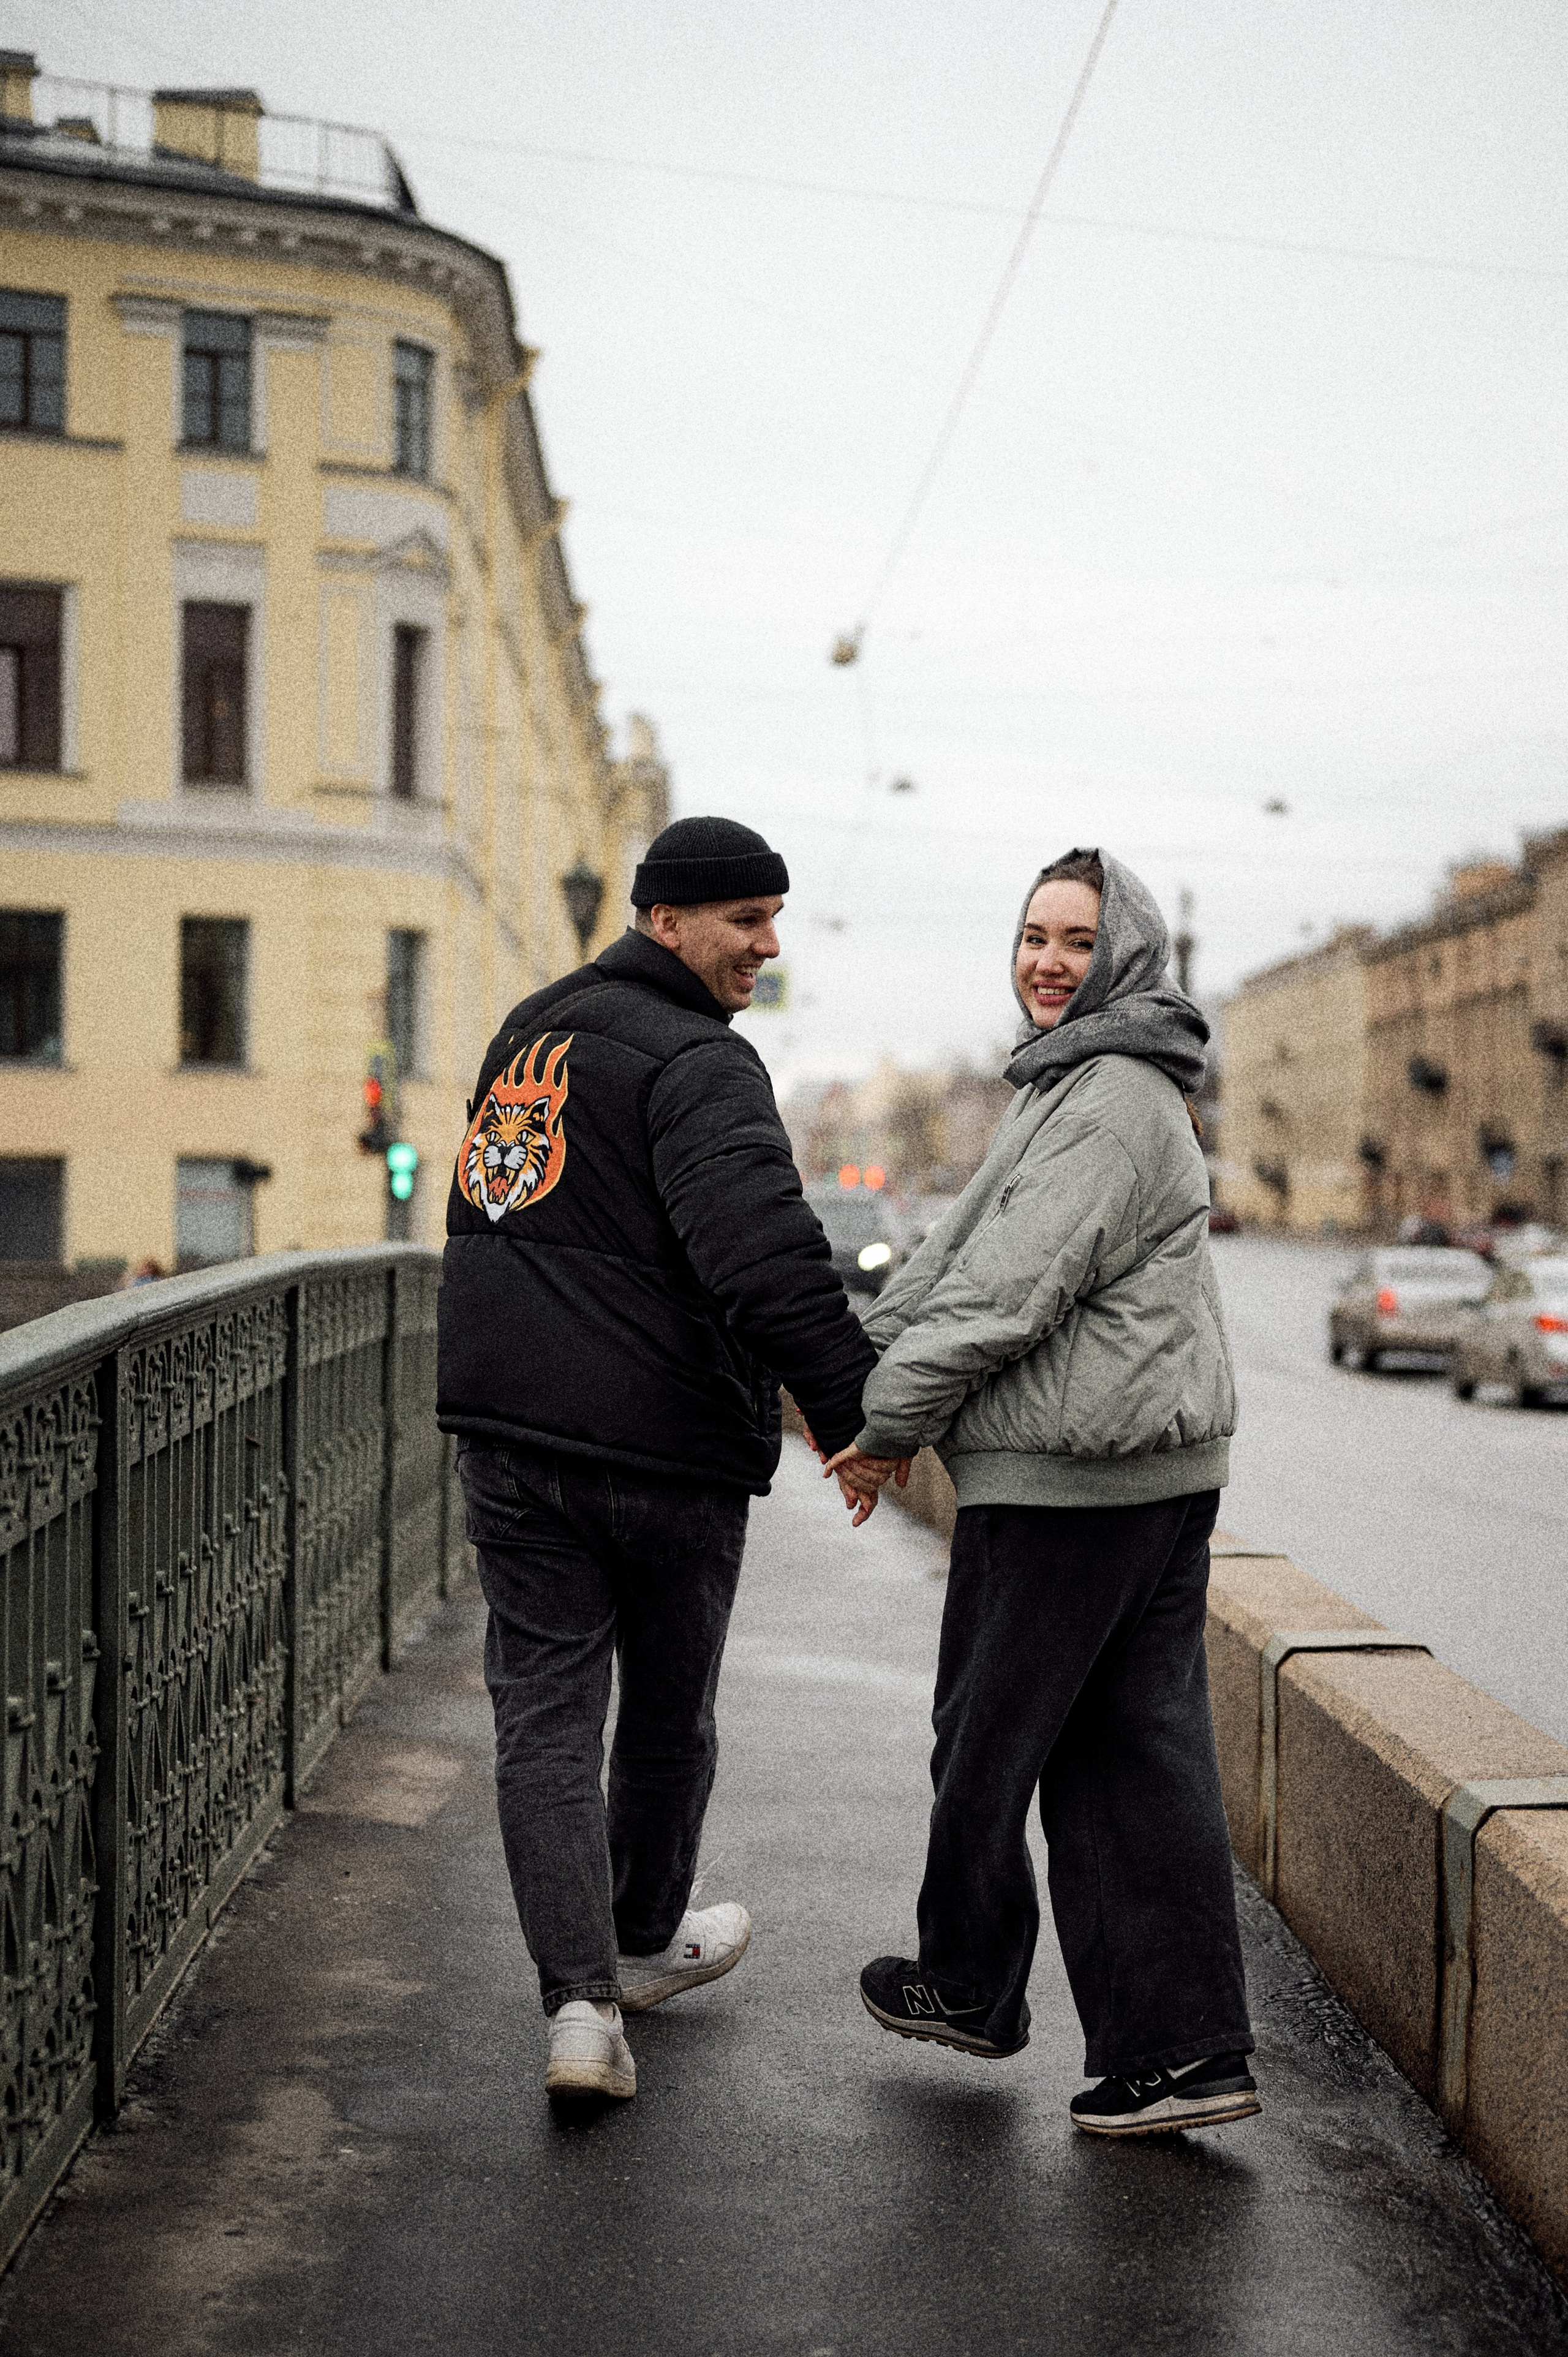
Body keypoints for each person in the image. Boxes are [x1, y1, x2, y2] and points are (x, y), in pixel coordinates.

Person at [437, 815, 878, 2103]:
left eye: (774, 918)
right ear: (664, 920)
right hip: (663, 1452)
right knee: (668, 1715)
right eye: (745, 919)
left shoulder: (528, 1034)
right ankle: (634, 1942)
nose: (767, 945)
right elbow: (762, 1255)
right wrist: (851, 1413)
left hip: (512, 1439)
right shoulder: (702, 1062)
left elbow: (496, 1206)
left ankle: (580, 2010)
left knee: (544, 1721)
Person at [824, 848, 1259, 2138]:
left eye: (1077, 939)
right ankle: (1183, 2056)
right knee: (1126, 1764)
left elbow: (1002, 1297)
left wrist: (881, 1425)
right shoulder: (1065, 1085)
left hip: (1076, 1485)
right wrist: (850, 1365)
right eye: (1033, 936)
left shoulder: (1112, 1096)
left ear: (1125, 954)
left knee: (985, 1740)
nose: (1049, 962)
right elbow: (947, 1262)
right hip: (1134, 1475)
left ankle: (969, 1984)